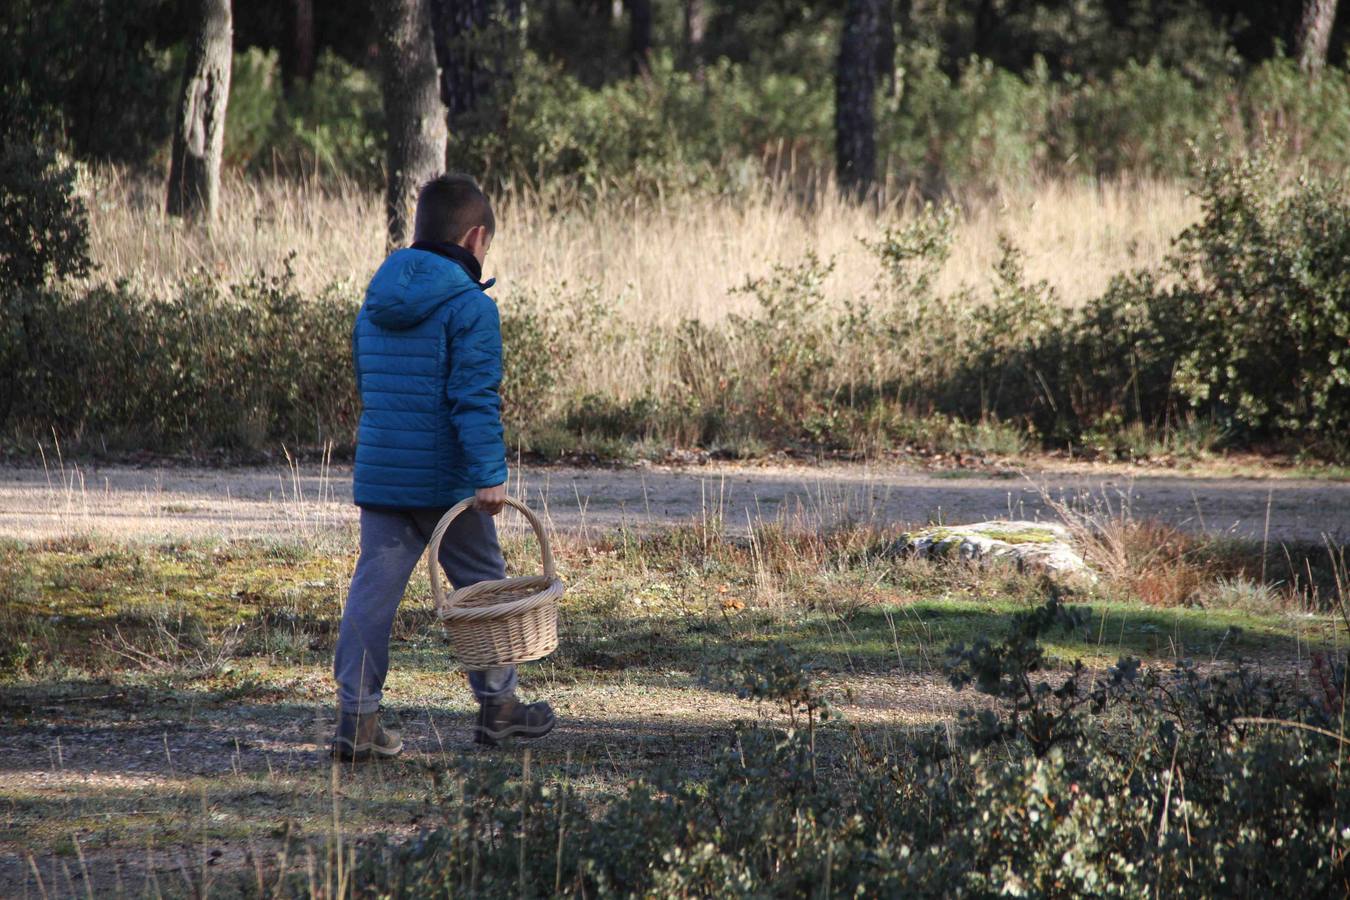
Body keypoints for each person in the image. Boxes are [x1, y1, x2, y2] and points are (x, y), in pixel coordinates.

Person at [331, 173, 556, 761]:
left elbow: (369, 385)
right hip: (449, 484)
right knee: (485, 586)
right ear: (476, 238)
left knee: (371, 597)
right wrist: (489, 475)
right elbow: (474, 396)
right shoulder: (470, 306)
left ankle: (356, 723)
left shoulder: (376, 298)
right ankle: (501, 709)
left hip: (382, 477)